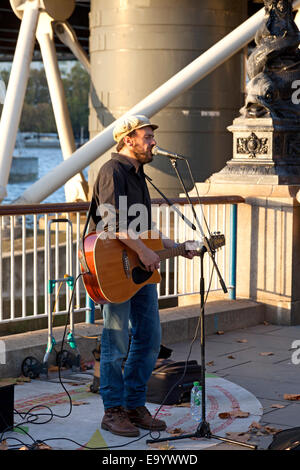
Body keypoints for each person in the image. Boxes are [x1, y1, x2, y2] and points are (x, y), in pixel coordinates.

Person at [88, 114, 196, 437]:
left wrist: (174, 245)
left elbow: (144, 229)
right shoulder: (112, 171)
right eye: (147, 136)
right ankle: (113, 410)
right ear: (128, 140)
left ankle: (134, 405)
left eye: (151, 136)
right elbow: (110, 223)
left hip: (139, 271)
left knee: (149, 339)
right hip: (114, 271)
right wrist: (145, 252)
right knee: (116, 340)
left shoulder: (139, 175)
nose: (153, 142)